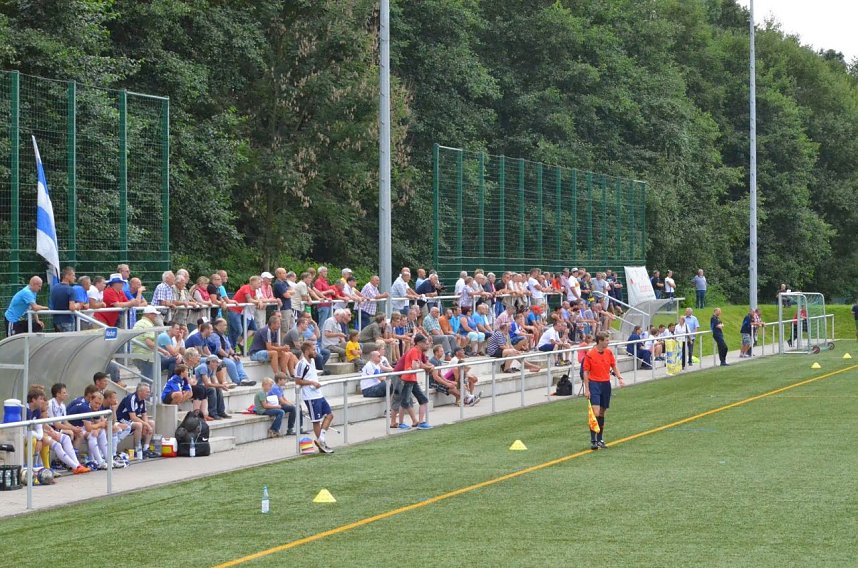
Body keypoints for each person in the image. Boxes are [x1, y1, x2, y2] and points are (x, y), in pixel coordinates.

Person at [583, 331, 625, 450]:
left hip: (606, 384)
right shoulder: (590, 354)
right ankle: (593, 440)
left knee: (602, 412)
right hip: (594, 384)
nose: (608, 342)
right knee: (595, 412)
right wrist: (587, 389)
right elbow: (586, 372)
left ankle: (600, 439)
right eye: (606, 340)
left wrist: (620, 378)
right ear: (600, 341)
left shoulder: (609, 352)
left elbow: (614, 366)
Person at [295, 341, 334, 453]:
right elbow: (297, 381)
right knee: (316, 421)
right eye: (313, 350)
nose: (315, 352)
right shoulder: (301, 364)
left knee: (330, 415)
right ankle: (322, 444)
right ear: (307, 351)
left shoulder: (312, 361)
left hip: (318, 394)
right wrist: (312, 382)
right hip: (310, 396)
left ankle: (320, 439)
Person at [67, 389, 110, 469]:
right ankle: (100, 461)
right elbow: (89, 428)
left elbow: (99, 425)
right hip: (68, 427)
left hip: (79, 427)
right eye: (96, 403)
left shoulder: (96, 409)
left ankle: (109, 459)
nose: (97, 405)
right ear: (90, 400)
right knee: (91, 435)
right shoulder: (85, 408)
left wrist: (98, 428)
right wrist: (99, 425)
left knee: (101, 431)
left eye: (99, 404)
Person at [398, 334, 433, 430]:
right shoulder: (414, 351)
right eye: (424, 342)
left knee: (423, 400)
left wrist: (425, 366)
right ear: (419, 343)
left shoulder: (417, 351)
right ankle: (401, 423)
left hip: (412, 379)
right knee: (404, 402)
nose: (426, 344)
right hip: (408, 379)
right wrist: (424, 366)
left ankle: (421, 422)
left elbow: (419, 364)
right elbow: (415, 366)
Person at [117, 383, 158, 459]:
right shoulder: (131, 398)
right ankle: (137, 450)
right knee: (139, 425)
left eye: (149, 392)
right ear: (140, 392)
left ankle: (146, 448)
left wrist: (146, 425)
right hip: (122, 420)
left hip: (131, 420)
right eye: (147, 392)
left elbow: (144, 415)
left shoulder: (142, 400)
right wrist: (146, 425)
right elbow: (133, 417)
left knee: (151, 423)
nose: (149, 394)